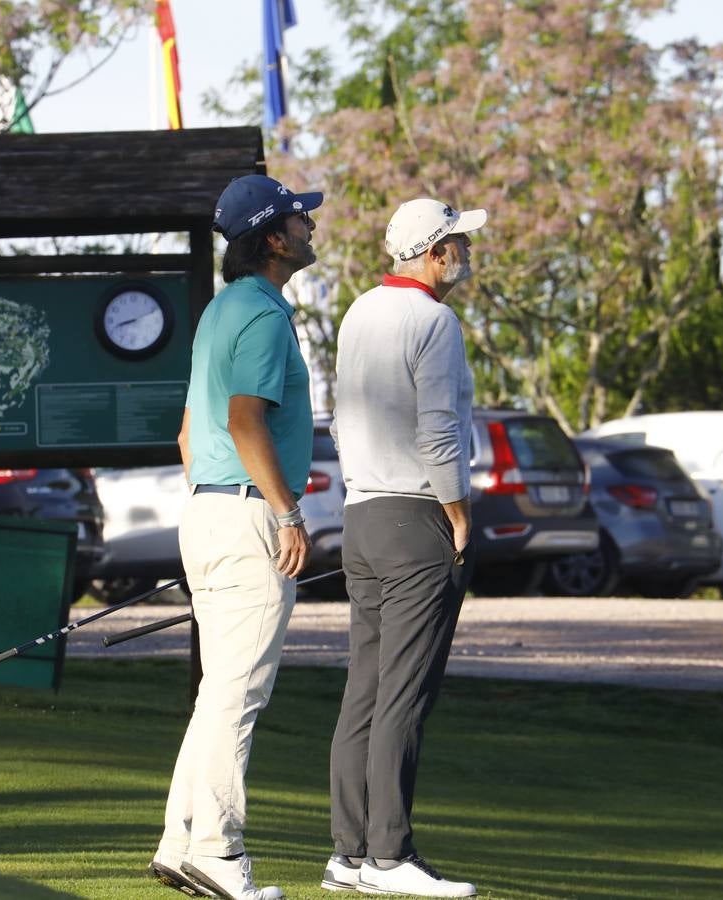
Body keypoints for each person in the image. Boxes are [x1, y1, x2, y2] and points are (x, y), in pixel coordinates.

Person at [149, 174, 320, 900]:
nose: (310, 230)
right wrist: (285, 512)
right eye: (298, 222)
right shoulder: (265, 315)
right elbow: (245, 421)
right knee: (236, 696)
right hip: (248, 516)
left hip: (208, 511)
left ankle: (180, 841)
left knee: (217, 692)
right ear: (273, 239)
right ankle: (218, 852)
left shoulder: (223, 311)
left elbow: (190, 433)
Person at [323, 198, 485, 897]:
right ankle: (390, 857)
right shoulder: (433, 320)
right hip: (416, 514)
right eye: (456, 241)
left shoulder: (359, 311)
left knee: (365, 688)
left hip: (361, 513)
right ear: (433, 251)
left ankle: (349, 853)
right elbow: (438, 429)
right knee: (403, 693)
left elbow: (338, 418)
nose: (465, 252)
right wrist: (458, 512)